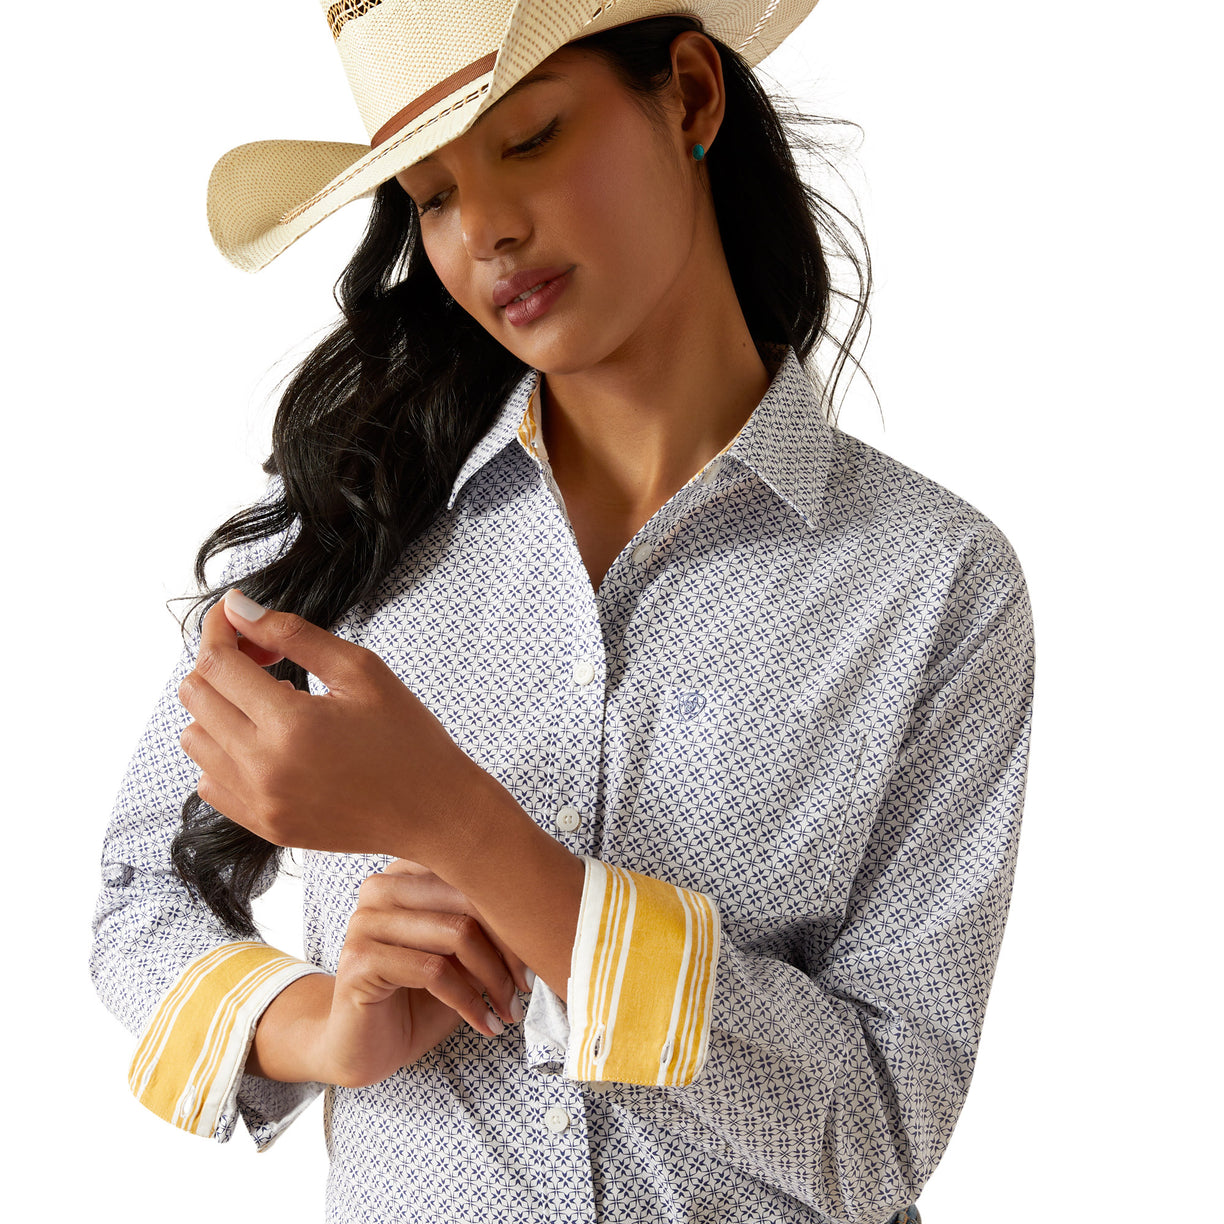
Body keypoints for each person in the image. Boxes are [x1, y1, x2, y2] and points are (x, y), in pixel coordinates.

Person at [90, 3, 1034, 1223]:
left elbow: (881, 1132)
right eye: (429, 197)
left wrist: (463, 827)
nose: (485, 229)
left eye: (529, 138)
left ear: (691, 95)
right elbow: (136, 889)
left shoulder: (933, 584)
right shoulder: (346, 523)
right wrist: (319, 1025)